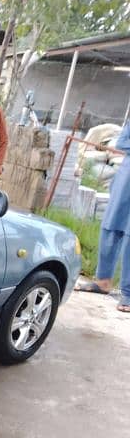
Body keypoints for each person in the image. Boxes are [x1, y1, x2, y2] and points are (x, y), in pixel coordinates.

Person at [74, 121, 130, 313]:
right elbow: (122, 143)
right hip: (125, 179)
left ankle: (128, 293)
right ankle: (103, 281)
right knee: (110, 226)